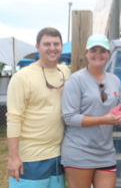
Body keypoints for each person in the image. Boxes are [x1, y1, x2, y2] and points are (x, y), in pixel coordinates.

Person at [61, 34, 121, 188]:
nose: (98, 54)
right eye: (93, 50)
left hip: (106, 153)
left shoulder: (115, 81)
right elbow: (69, 118)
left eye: (102, 50)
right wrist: (103, 120)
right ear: (86, 53)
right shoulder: (76, 80)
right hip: (79, 151)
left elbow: (118, 118)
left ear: (108, 54)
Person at [6, 28, 71, 188]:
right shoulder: (22, 77)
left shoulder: (65, 72)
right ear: (37, 47)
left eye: (56, 43)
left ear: (61, 46)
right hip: (30, 157)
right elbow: (14, 118)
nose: (52, 48)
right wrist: (13, 158)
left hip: (58, 156)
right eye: (46, 44)